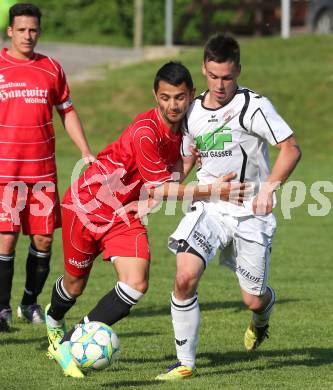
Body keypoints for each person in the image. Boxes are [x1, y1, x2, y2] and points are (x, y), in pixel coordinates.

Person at [43, 61, 249, 378]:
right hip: (87, 206)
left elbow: (178, 169)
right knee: (74, 285)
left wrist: (155, 194)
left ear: (191, 95)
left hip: (126, 212)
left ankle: (69, 344)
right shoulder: (145, 132)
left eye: (180, 97)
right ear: (155, 95)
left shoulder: (193, 123)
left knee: (136, 283)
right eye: (165, 97)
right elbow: (165, 187)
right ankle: (54, 318)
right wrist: (214, 191)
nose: (173, 105)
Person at [155, 33, 302, 380]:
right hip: (211, 208)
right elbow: (188, 156)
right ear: (204, 70)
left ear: (238, 71)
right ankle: (185, 363)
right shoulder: (192, 112)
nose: (220, 85)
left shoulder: (253, 106)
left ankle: (262, 315)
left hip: (252, 212)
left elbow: (291, 148)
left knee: (252, 299)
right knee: (184, 275)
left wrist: (268, 190)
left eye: (228, 77)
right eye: (213, 76)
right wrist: (171, 183)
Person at [0, 3, 94, 332]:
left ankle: (28, 302)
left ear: (39, 31)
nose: (28, 35)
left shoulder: (51, 68)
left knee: (43, 240)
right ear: (10, 31)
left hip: (41, 174)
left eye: (33, 30)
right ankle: (1, 309)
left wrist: (84, 150)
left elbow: (66, 111)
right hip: (4, 174)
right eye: (22, 30)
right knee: (6, 240)